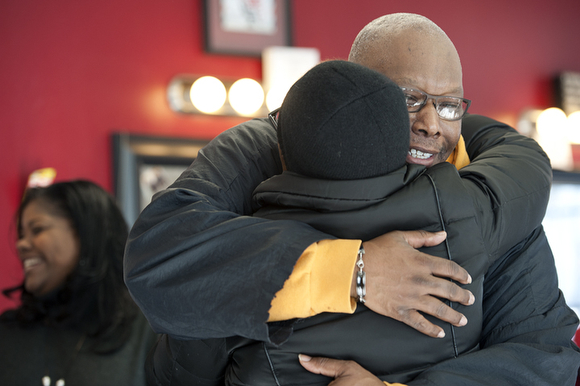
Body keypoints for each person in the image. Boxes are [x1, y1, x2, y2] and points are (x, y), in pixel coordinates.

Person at [125, 13, 580, 385]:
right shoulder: (265, 150)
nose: (430, 124)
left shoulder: (487, 191)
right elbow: (159, 258)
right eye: (407, 97)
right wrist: (353, 271)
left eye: (448, 106)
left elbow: (544, 355)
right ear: (353, 90)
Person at [0, 180, 158, 386]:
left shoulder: (148, 333)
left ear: (87, 235)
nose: (21, 244)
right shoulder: (8, 333)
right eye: (21, 234)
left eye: (37, 229)